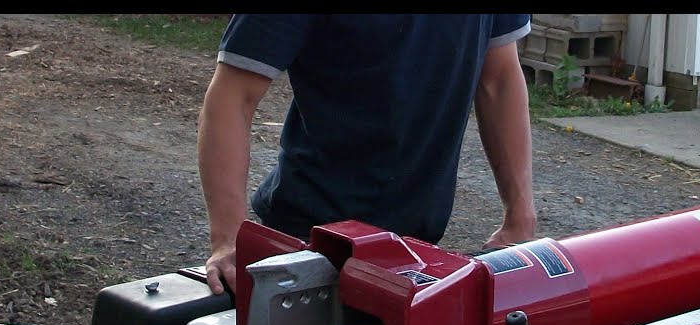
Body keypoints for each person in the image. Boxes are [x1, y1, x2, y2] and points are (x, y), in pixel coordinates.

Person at [198, 13, 538, 295]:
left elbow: (499, 78)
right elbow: (233, 95)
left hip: (416, 248)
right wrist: (228, 239)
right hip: (314, 239)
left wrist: (520, 218)